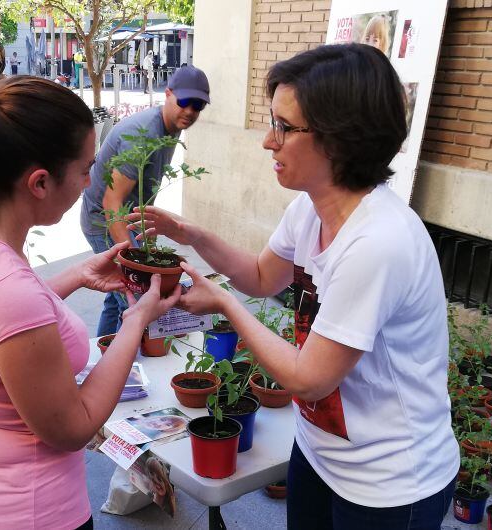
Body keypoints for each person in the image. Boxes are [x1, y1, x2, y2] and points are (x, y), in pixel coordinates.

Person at [127, 44, 458, 529]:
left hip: (390, 483)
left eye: (284, 127)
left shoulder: (377, 242)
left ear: (339, 140)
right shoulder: (310, 208)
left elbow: (309, 378)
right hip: (322, 453)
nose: (268, 141)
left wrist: (222, 301)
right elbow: (263, 277)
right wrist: (192, 236)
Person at [0, 77, 181, 529]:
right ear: (39, 182)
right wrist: (136, 320)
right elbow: (73, 427)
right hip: (25, 513)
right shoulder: (7, 287)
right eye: (86, 169)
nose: (90, 182)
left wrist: (75, 276)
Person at [79, 65, 210, 336]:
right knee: (137, 303)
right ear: (168, 94)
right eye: (184, 102)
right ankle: (121, 367)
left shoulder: (170, 126)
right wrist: (134, 258)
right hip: (104, 222)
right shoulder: (145, 134)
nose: (189, 111)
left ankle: (104, 351)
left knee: (117, 299)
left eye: (197, 105)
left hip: (124, 220)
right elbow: (111, 203)